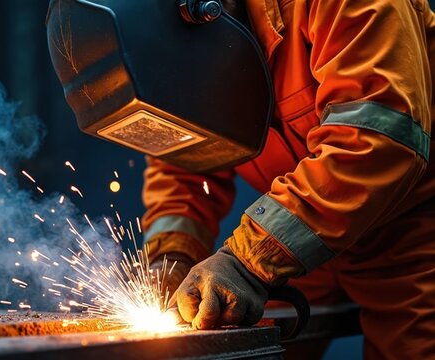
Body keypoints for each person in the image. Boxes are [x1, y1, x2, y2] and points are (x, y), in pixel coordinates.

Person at [139, 1, 435, 358]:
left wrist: (247, 261)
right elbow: (184, 154)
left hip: (415, 226)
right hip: (302, 236)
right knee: (248, 341)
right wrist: (171, 255)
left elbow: (377, 141)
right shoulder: (189, 43)